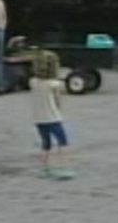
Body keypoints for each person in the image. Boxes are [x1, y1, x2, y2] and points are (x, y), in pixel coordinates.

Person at [29, 51, 74, 179]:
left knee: (45, 143)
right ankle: (63, 168)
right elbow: (57, 101)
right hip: (53, 118)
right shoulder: (54, 84)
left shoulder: (33, 82)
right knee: (63, 142)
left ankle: (44, 169)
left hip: (38, 119)